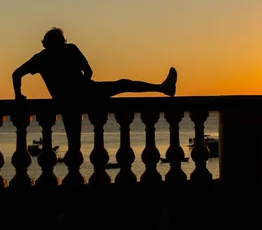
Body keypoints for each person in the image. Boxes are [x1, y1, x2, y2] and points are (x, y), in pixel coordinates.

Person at [12, 27, 177, 143]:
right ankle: (163, 88)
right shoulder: (69, 49)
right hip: (87, 92)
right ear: (61, 41)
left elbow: (16, 74)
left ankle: (74, 179)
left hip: (65, 101)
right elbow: (89, 71)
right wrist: (82, 83)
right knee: (123, 84)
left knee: (73, 142)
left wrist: (18, 95)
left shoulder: (41, 58)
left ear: (46, 43)